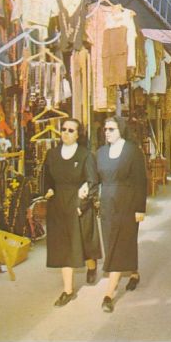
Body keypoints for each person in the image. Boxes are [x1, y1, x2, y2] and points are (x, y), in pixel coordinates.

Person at [43, 119, 101, 307]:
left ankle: (91, 265)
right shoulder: (51, 154)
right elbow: (46, 178)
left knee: (84, 243)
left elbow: (93, 182)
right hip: (58, 205)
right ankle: (68, 290)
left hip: (78, 203)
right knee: (64, 248)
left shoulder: (86, 155)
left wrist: (82, 204)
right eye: (63, 129)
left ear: (78, 135)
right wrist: (48, 190)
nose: (66, 133)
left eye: (71, 130)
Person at [96, 116, 147, 313]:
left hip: (127, 203)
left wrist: (140, 208)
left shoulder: (133, 151)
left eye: (112, 129)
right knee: (113, 242)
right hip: (107, 204)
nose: (107, 132)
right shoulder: (101, 153)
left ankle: (109, 294)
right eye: (106, 129)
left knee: (120, 243)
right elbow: (95, 178)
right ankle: (134, 273)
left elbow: (140, 181)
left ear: (121, 130)